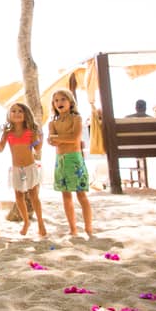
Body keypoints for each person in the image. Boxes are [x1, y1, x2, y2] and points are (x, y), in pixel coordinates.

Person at [0, 102, 47, 237]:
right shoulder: (7, 132)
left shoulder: (30, 131)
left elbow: (37, 148)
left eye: (20, 111)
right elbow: (0, 149)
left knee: (34, 195)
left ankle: (41, 223)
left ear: (25, 114)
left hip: (30, 167)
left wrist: (41, 137)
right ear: (9, 115)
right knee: (19, 196)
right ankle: (26, 222)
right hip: (17, 169)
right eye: (13, 111)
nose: (17, 113)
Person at [46, 90, 93, 237]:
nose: (59, 103)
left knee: (81, 195)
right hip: (60, 160)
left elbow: (75, 138)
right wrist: (58, 139)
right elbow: (51, 140)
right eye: (56, 100)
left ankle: (88, 227)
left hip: (74, 159)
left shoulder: (76, 118)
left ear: (70, 102)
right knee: (65, 195)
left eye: (63, 99)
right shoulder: (52, 122)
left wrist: (58, 139)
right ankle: (73, 228)